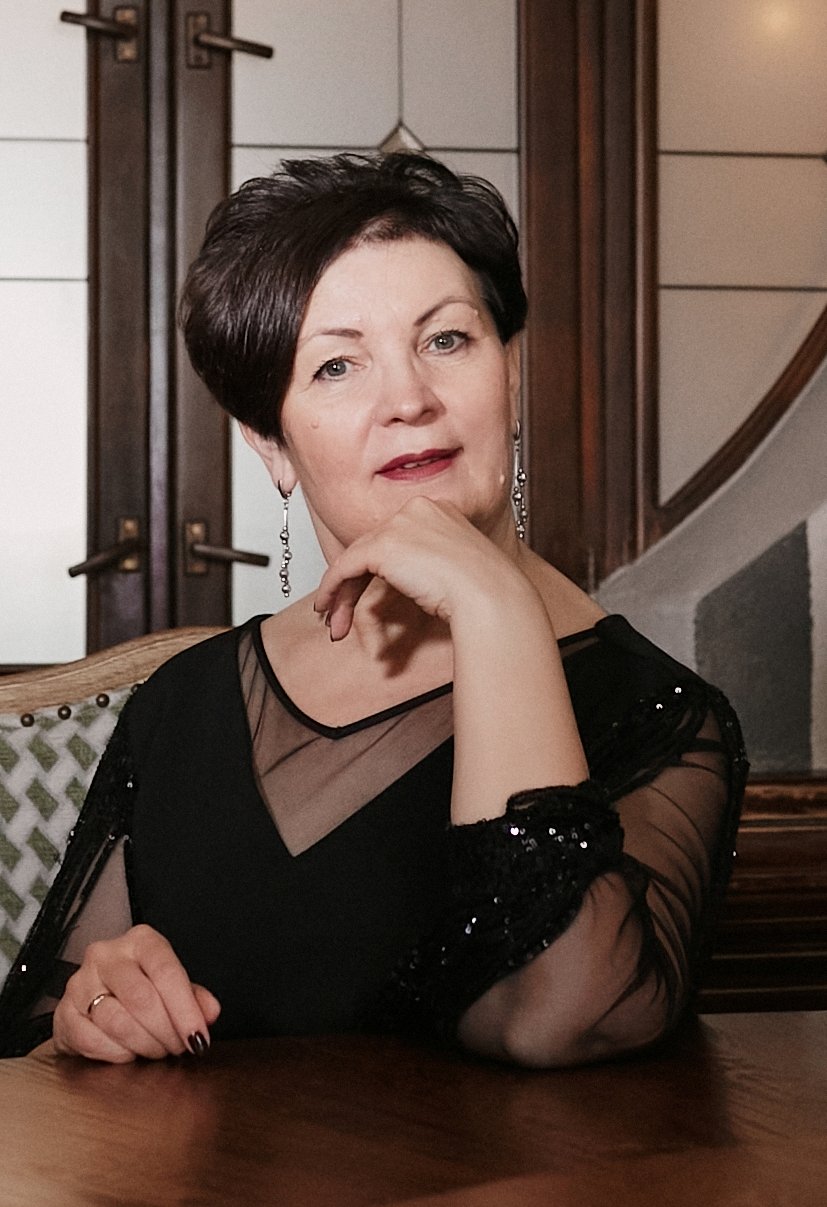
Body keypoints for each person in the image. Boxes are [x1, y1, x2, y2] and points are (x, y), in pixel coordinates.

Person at [0, 153, 746, 1066]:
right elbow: (37, 1045)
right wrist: (96, 1010)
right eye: (336, 365)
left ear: (511, 374)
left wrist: (495, 607)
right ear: (270, 442)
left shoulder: (659, 716)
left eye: (447, 340)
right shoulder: (183, 704)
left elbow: (555, 1018)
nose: (408, 400)